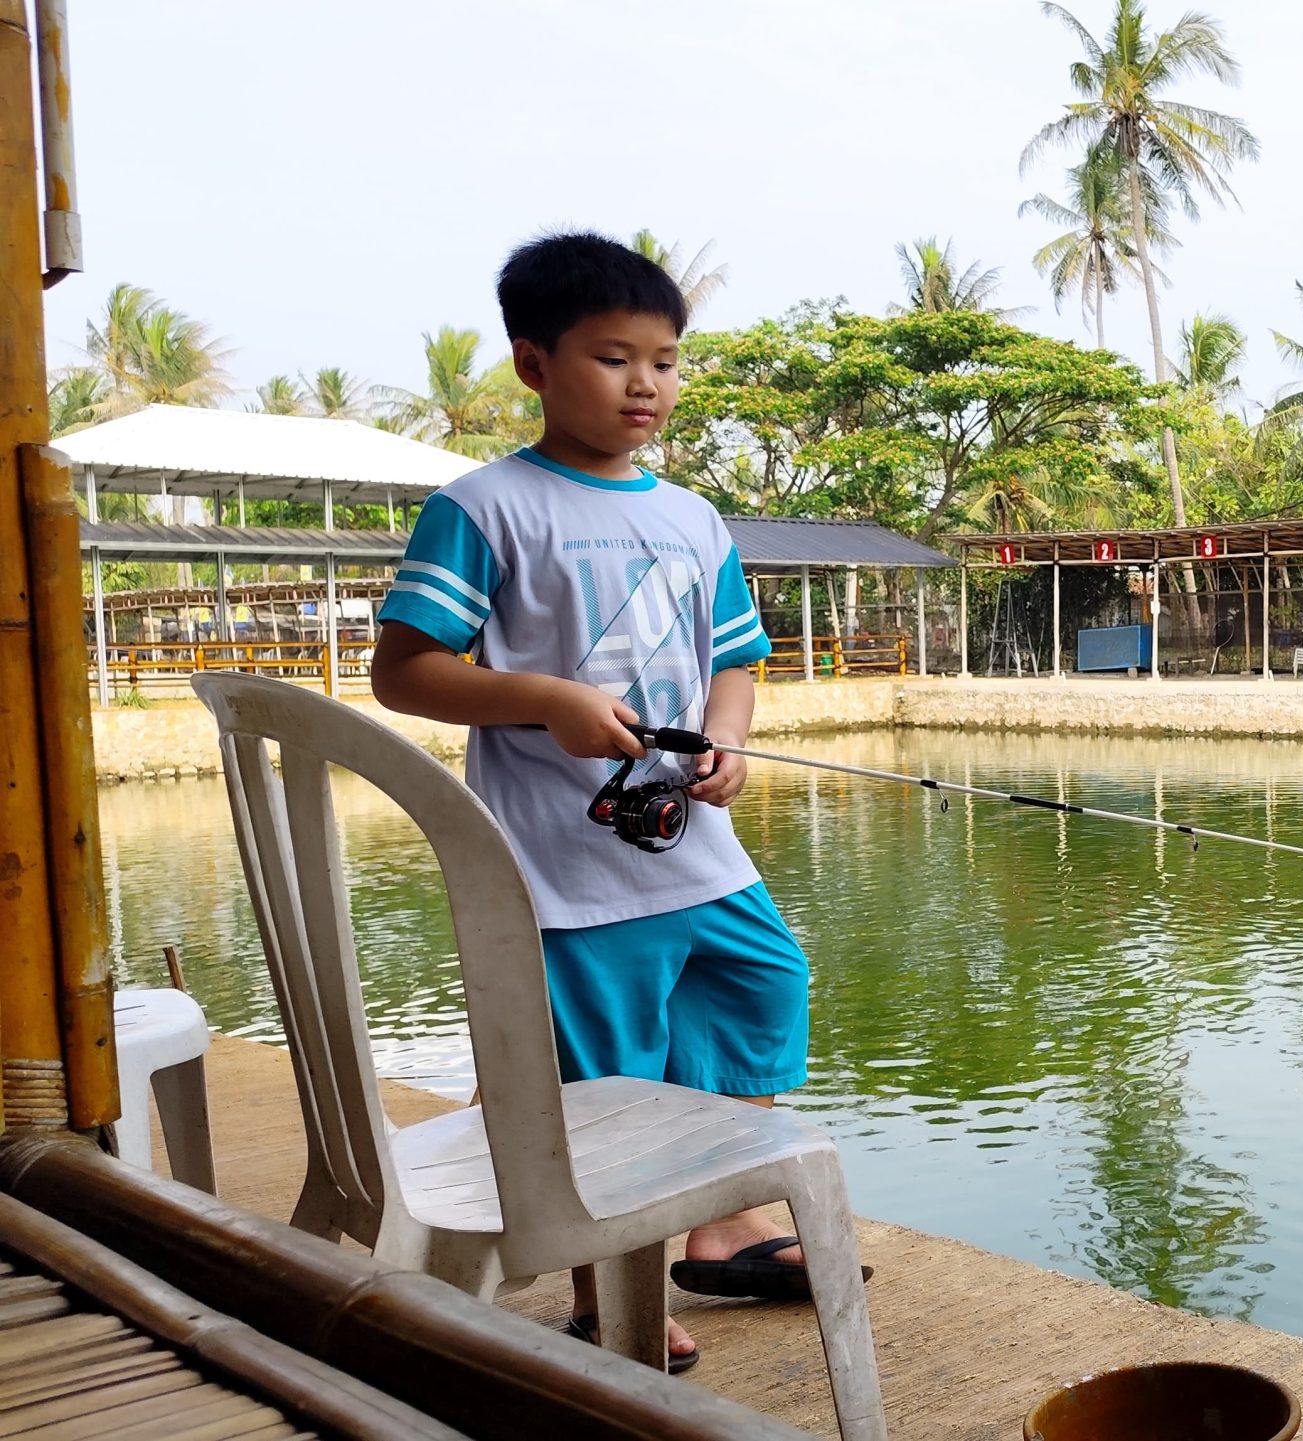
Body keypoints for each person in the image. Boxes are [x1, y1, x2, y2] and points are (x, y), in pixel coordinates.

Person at [372, 232, 816, 1372]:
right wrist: (543, 701)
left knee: (761, 984)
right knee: (594, 1080)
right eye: (614, 357)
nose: (647, 385)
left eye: (665, 361)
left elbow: (734, 659)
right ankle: (600, 1290)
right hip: (563, 869)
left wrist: (726, 737)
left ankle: (716, 1219)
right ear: (533, 364)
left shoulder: (694, 518)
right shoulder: (486, 507)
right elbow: (404, 668)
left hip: (694, 843)